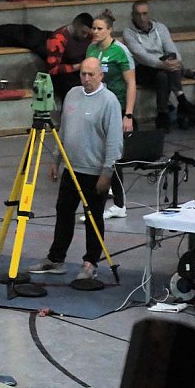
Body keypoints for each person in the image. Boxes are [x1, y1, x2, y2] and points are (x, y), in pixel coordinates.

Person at [28, 58, 123, 281]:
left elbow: (114, 142)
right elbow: (64, 130)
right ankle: (56, 258)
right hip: (71, 169)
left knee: (93, 217)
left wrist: (106, 173)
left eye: (91, 74)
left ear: (101, 75)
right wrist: (56, 159)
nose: (86, 79)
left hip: (94, 172)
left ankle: (91, 262)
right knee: (63, 212)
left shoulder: (109, 102)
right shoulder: (72, 94)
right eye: (83, 74)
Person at [86, 9, 136, 220]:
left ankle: (120, 205)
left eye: (99, 29)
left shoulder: (120, 51)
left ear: (109, 30)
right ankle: (100, 198)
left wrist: (128, 115)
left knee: (113, 157)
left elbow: (131, 83)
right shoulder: (91, 48)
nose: (95, 32)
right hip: (98, 108)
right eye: (93, 28)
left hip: (117, 107)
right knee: (97, 154)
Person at [122, 0, 189, 131]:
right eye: (138, 14)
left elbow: (171, 47)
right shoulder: (128, 32)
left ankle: (162, 115)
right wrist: (161, 64)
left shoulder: (161, 28)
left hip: (163, 66)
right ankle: (181, 99)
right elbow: (141, 56)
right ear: (132, 15)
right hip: (142, 68)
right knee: (164, 73)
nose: (142, 18)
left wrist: (176, 61)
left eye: (144, 13)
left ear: (149, 14)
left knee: (165, 74)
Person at [46, 12, 93, 102]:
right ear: (75, 25)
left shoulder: (89, 37)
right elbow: (53, 69)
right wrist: (79, 66)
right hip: (64, 76)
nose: (85, 36)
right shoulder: (58, 38)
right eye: (83, 32)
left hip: (83, 71)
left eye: (87, 33)